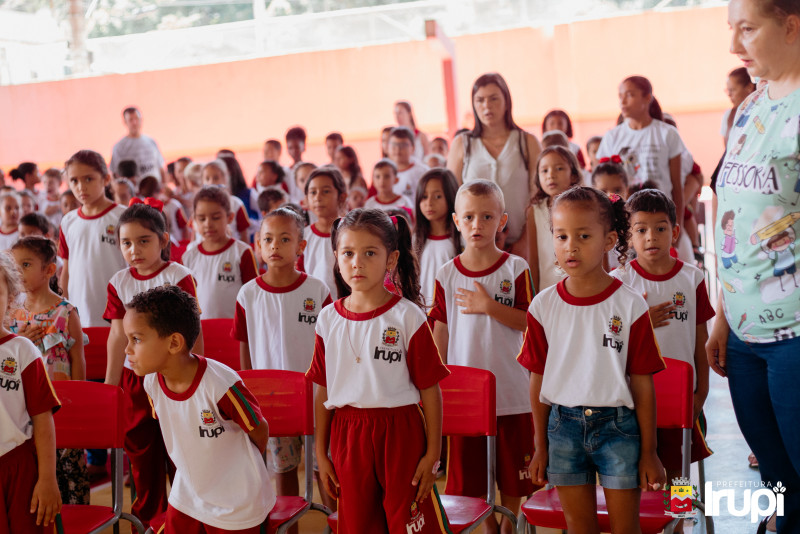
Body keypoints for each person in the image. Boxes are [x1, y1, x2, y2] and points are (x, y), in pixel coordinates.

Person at [518, 186, 666, 534]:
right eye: (561, 236)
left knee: (626, 529)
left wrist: (650, 451)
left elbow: (642, 383)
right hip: (562, 429)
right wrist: (540, 446)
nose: (570, 246)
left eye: (583, 236)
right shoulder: (542, 306)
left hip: (619, 429)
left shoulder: (630, 304)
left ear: (609, 240)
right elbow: (537, 380)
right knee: (579, 528)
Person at [707, 1, 800, 532]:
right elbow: (735, 217)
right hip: (743, 334)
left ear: (790, 26)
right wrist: (723, 313)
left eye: (747, 29)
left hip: (794, 336)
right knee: (777, 481)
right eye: (731, 29)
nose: (733, 45)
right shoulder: (751, 105)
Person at [306, 208, 452, 534]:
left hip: (401, 433)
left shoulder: (407, 316)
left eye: (370, 253)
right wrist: (321, 452)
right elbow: (322, 389)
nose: (357, 262)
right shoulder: (327, 319)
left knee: (410, 524)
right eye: (348, 253)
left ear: (391, 259)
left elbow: (430, 389)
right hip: (348, 436)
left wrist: (433, 453)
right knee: (359, 525)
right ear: (336, 258)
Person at [429, 180, 534, 534]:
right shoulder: (447, 274)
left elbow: (529, 322)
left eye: (487, 217)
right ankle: (490, 528)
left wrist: (489, 306)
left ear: (502, 221)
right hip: (465, 400)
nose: (478, 224)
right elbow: (441, 331)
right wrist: (437, 383)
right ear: (456, 221)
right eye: (470, 217)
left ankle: (509, 527)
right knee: (472, 479)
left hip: (511, 393)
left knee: (513, 476)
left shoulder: (515, 268)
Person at [126, 285, 274, 533]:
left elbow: (259, 429)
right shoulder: (151, 382)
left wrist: (241, 466)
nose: (127, 349)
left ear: (174, 342)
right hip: (188, 494)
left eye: (136, 339)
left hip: (236, 500)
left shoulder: (221, 384)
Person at [611, 190, 714, 530]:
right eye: (640, 229)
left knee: (678, 471)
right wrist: (642, 324)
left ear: (675, 231)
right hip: (631, 400)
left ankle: (680, 524)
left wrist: (701, 393)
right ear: (628, 235)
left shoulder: (692, 278)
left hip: (681, 400)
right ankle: (643, 523)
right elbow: (609, 343)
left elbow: (700, 340)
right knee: (637, 471)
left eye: (660, 228)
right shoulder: (619, 281)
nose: (651, 237)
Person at [104, 200, 203, 530]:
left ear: (163, 240)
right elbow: (116, 337)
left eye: (143, 241)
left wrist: (196, 377)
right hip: (135, 383)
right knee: (143, 464)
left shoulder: (179, 276)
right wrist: (110, 387)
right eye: (126, 243)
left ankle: (188, 524)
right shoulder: (118, 281)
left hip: (175, 379)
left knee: (182, 457)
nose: (134, 250)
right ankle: (147, 525)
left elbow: (194, 331)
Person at [234, 208, 333, 521]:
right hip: (272, 403)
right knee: (284, 472)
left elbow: (330, 348)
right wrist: (250, 394)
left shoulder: (317, 290)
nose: (275, 245)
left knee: (324, 470)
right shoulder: (248, 294)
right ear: (258, 245)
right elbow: (245, 348)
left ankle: (337, 523)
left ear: (301, 246)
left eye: (285, 239)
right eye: (268, 239)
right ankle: (289, 526)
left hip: (316, 401)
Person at [10, 237, 89, 507]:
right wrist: (20, 341)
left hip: (63, 404)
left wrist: (78, 402)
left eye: (26, 265)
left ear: (49, 270)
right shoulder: (12, 314)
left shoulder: (65, 312)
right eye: (14, 266)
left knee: (69, 470)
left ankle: (77, 517)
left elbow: (77, 359)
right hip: (25, 407)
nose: (18, 272)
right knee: (34, 471)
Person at [447, 72, 542, 260]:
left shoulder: (527, 142)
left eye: (494, 99)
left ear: (507, 101)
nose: (487, 106)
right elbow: (452, 198)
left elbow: (538, 197)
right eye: (480, 100)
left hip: (520, 245)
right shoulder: (462, 144)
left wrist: (525, 241)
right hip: (473, 246)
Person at [0, 252, 62, 533]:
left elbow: (43, 420)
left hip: (19, 468)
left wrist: (47, 478)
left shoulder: (22, 351)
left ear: (10, 298)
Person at [596, 76, 686, 241]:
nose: (623, 101)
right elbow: (601, 186)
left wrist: (676, 230)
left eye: (630, 95)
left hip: (660, 217)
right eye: (620, 96)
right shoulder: (612, 137)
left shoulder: (667, 134)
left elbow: (677, 187)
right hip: (624, 222)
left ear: (647, 97)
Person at [58, 150, 127, 327]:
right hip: (79, 313)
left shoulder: (124, 217)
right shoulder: (68, 221)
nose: (81, 187)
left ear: (106, 179)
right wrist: (63, 307)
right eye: (74, 180)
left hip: (119, 314)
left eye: (88, 179)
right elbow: (66, 270)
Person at [181, 187, 258, 319]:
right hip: (201, 328)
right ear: (194, 220)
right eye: (202, 219)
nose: (208, 224)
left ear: (230, 217)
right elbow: (185, 301)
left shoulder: (242, 252)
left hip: (234, 328)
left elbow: (253, 297)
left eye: (215, 218)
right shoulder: (188, 257)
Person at [527, 146, 582, 292]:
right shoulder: (535, 211)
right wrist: (533, 296)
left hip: (581, 289)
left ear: (573, 175)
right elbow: (533, 259)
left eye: (559, 168)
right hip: (547, 290)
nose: (551, 175)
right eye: (544, 170)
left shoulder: (584, 209)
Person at [297, 168, 347, 300]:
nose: (318, 198)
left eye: (326, 191)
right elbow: (300, 273)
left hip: (346, 303)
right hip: (313, 303)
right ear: (306, 199)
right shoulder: (304, 236)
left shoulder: (351, 233)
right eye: (313, 192)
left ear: (341, 197)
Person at [413, 169, 460, 308]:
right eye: (424, 196)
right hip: (422, 311)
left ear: (451, 196)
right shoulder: (415, 239)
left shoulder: (461, 238)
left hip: (451, 311)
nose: (429, 203)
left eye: (437, 196)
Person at [201, 160, 251, 243]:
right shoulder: (199, 205)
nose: (211, 182)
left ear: (225, 178)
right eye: (207, 178)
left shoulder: (236, 203)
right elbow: (194, 234)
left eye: (216, 178)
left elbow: (244, 234)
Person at [110, 107, 165, 180]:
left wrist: (164, 184)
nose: (134, 123)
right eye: (131, 120)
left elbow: (161, 168)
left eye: (136, 118)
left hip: (155, 186)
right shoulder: (119, 147)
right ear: (125, 122)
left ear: (141, 120)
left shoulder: (151, 142)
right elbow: (114, 174)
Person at [388, 127, 430, 203]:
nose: (398, 149)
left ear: (413, 148)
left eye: (403, 145)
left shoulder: (423, 172)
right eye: (394, 145)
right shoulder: (383, 172)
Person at [721, 67, 756, 146]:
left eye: (732, 90)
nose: (729, 94)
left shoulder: (760, 113)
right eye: (728, 90)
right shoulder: (728, 115)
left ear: (749, 87)